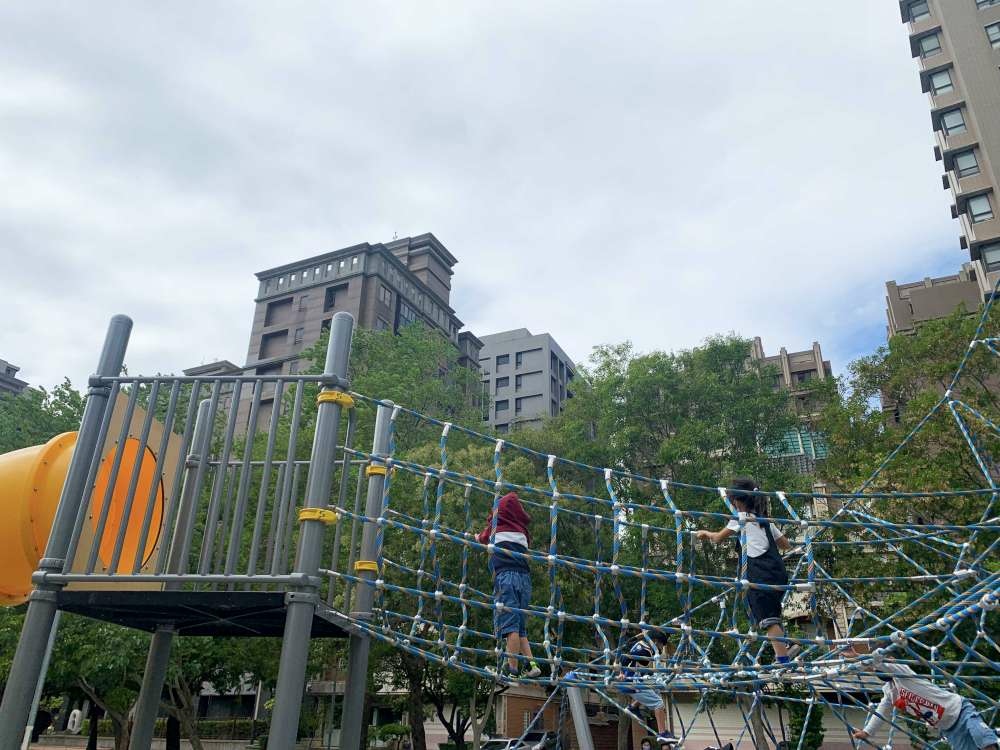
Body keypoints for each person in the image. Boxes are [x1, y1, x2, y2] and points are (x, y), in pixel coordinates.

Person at [695, 477, 797, 664]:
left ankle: (783, 659)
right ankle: (785, 646)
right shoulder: (765, 521)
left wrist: (705, 533)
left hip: (759, 574)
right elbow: (785, 545)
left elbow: (718, 538)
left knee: (768, 618)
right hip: (778, 573)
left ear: (737, 502)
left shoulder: (740, 519)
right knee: (771, 612)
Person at [846, 646, 999, 750]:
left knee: (982, 736)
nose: (874, 669)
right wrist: (866, 732)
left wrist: (860, 658)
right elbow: (881, 712)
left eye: (878, 664)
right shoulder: (889, 691)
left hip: (960, 710)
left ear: (892, 660)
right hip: (949, 728)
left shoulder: (904, 673)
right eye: (872, 668)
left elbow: (881, 663)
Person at [477, 491, 542, 679]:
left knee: (510, 627)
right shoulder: (522, 531)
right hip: (524, 580)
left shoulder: (497, 526)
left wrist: (474, 537)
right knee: (520, 627)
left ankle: (511, 669)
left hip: (506, 578)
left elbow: (483, 538)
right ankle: (533, 665)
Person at [619, 629, 676, 746]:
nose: (661, 648)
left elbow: (628, 645)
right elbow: (626, 658)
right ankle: (662, 734)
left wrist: (621, 671)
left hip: (633, 679)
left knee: (656, 687)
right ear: (655, 641)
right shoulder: (647, 651)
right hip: (632, 683)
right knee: (658, 703)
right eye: (661, 645)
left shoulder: (639, 643)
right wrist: (621, 672)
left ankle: (633, 707)